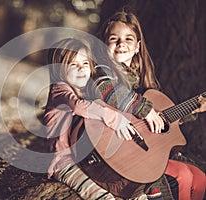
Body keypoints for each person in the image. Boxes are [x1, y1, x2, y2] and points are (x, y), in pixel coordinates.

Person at [90, 10, 206, 199]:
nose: (121, 44)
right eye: (114, 38)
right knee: (183, 176)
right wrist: (146, 110)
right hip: (117, 151)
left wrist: (193, 107)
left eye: (129, 39)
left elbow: (156, 122)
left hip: (140, 149)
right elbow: (108, 91)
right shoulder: (101, 71)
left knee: (200, 178)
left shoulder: (140, 82)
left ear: (138, 47)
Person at [43, 38, 141, 199]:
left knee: (132, 191)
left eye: (85, 63)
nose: (81, 69)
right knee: (104, 198)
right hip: (65, 163)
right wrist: (114, 118)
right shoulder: (59, 89)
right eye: (73, 65)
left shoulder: (85, 91)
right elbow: (78, 106)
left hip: (85, 160)